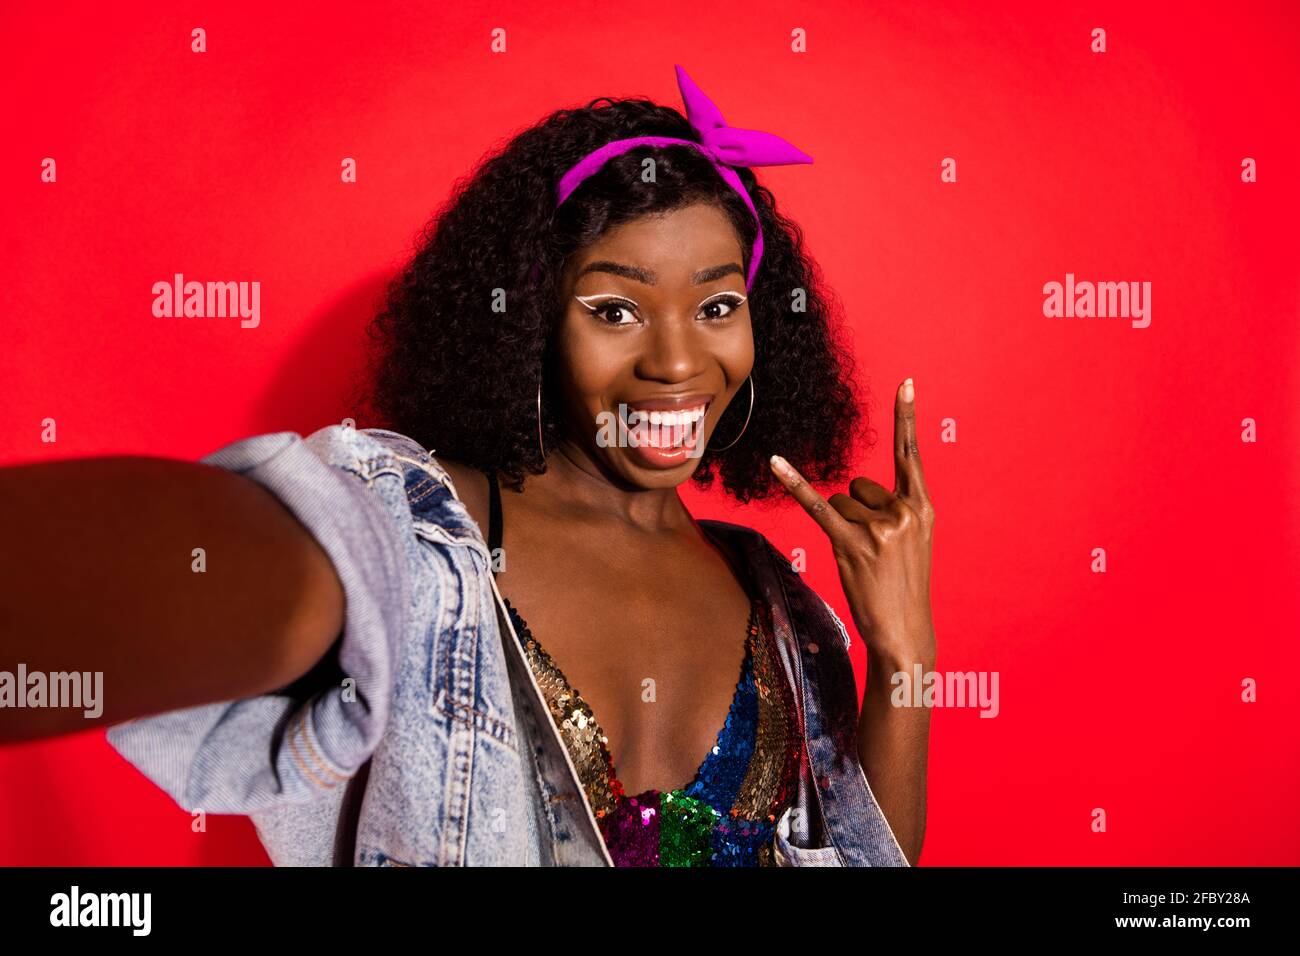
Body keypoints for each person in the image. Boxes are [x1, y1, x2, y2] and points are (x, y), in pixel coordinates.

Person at [0, 65, 935, 866]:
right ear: (529, 322)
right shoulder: (418, 531)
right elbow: (256, 567)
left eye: (717, 305)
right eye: (615, 310)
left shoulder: (778, 603)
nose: (680, 362)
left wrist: (903, 654)